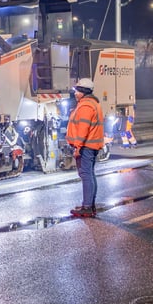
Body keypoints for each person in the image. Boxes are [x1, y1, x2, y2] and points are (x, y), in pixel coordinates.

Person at [65, 78, 105, 218]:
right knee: (90, 175)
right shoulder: (93, 103)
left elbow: (83, 128)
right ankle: (89, 205)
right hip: (92, 145)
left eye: (76, 91)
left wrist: (78, 147)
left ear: (82, 92)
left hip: (86, 146)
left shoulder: (86, 106)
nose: (75, 93)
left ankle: (87, 207)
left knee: (86, 175)